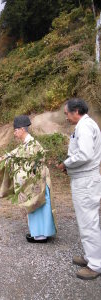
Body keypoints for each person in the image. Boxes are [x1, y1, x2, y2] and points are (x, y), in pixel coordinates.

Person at [0, 115, 57, 243]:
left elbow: (21, 159)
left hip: (38, 181)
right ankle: (41, 233)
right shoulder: (27, 143)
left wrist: (7, 162)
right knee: (36, 204)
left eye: (15, 130)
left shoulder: (31, 144)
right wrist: (1, 159)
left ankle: (40, 235)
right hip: (35, 180)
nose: (14, 133)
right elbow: (14, 154)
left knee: (37, 204)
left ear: (22, 129)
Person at [57, 98, 101, 280]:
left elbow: (84, 154)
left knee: (88, 222)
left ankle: (96, 265)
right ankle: (91, 256)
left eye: (66, 113)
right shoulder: (86, 125)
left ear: (76, 111)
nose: (66, 117)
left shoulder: (84, 127)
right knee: (87, 221)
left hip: (85, 182)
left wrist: (66, 163)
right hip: (84, 179)